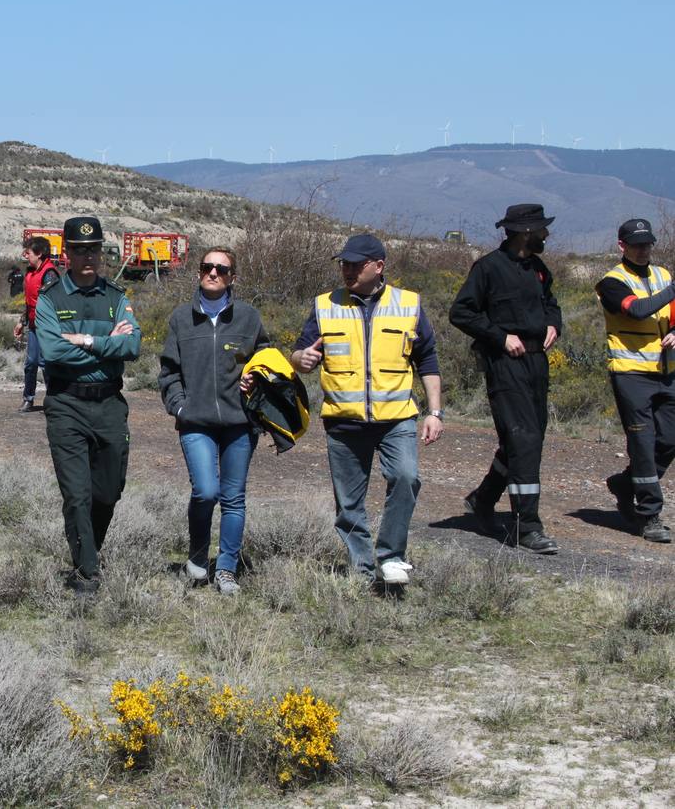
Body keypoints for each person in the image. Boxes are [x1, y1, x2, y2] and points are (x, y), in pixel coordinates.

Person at [291, 233, 443, 584]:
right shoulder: (324, 305)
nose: (348, 270)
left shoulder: (409, 305)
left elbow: (428, 362)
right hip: (344, 420)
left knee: (405, 477)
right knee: (349, 504)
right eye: (344, 263)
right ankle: (362, 571)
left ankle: (391, 556)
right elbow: (298, 354)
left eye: (356, 264)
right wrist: (304, 359)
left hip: (397, 417)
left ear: (379, 266)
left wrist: (435, 412)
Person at [35, 216, 141, 595]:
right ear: (67, 252)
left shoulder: (116, 297)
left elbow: (132, 346)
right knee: (77, 494)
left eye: (93, 249)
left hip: (110, 404)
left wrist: (86, 341)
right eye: (79, 250)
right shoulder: (51, 299)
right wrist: (105, 344)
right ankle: (87, 572)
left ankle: (88, 551)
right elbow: (52, 351)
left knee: (108, 492)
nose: (87, 256)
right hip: (66, 404)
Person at [450, 203, 562, 554]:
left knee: (527, 439)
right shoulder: (488, 268)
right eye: (542, 229)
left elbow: (552, 305)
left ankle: (483, 500)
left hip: (536, 362)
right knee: (523, 439)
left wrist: (554, 325)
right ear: (525, 232)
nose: (546, 234)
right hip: (504, 363)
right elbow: (461, 312)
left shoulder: (539, 269)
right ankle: (526, 526)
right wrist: (500, 336)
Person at [159, 247, 269, 595]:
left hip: (240, 422)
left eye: (222, 269)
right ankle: (197, 554)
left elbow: (267, 363)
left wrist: (257, 381)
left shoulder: (249, 318)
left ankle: (226, 570)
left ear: (232, 277)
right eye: (208, 267)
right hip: (196, 422)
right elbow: (168, 372)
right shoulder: (180, 319)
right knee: (206, 491)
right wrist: (180, 407)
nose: (214, 273)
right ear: (198, 273)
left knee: (234, 497)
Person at [595, 218, 674, 543]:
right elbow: (637, 310)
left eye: (647, 244)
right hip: (630, 374)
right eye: (637, 244)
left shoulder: (663, 274)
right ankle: (649, 514)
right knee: (642, 444)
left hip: (667, 372)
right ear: (622, 246)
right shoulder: (611, 282)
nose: (643, 250)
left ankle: (626, 484)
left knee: (669, 440)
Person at [13, 236, 61, 412]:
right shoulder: (30, 272)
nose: (26, 256)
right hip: (33, 325)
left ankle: (54, 401)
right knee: (31, 362)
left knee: (46, 364)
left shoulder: (50, 274)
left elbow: (54, 303)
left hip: (47, 328)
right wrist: (21, 322)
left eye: (29, 253)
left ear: (39, 254)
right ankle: (28, 398)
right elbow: (29, 302)